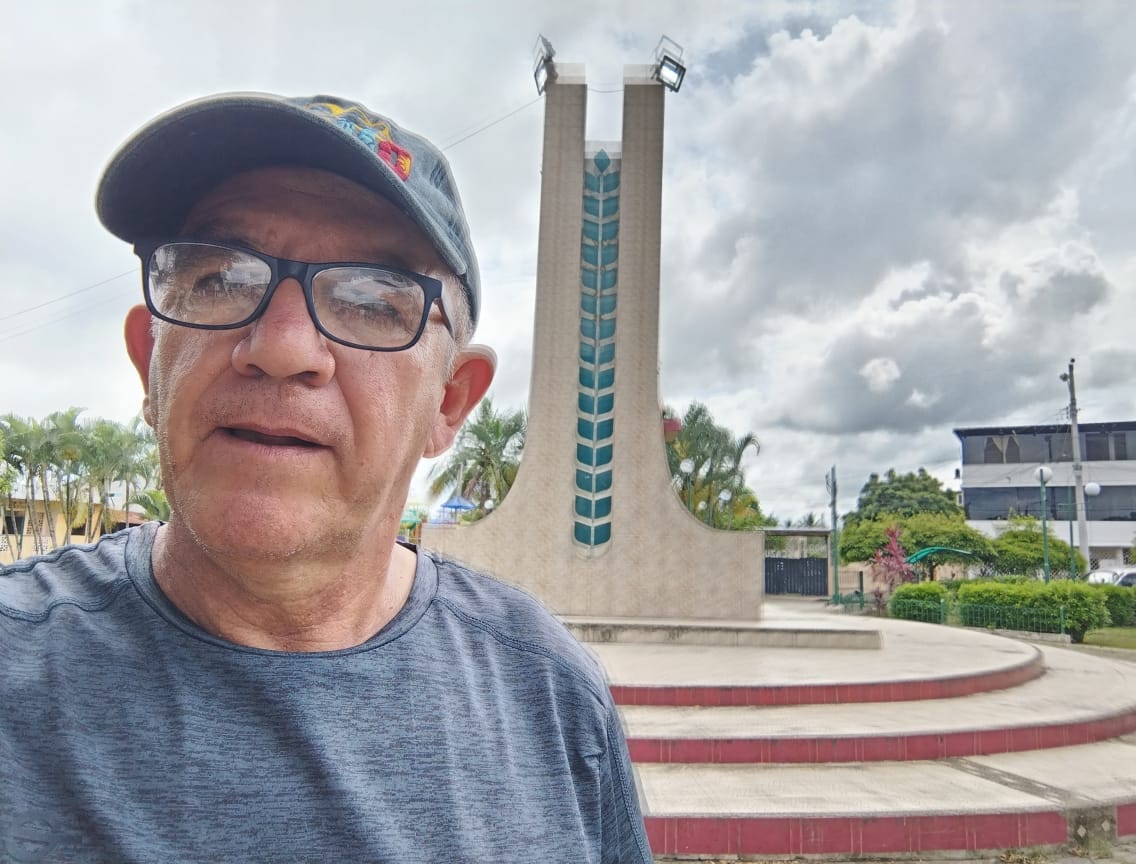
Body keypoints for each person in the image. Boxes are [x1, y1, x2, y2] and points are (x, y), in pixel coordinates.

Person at [0, 93, 653, 863]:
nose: (282, 348)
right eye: (221, 277)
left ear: (448, 403)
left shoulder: (549, 694)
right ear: (150, 363)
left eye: (372, 300)